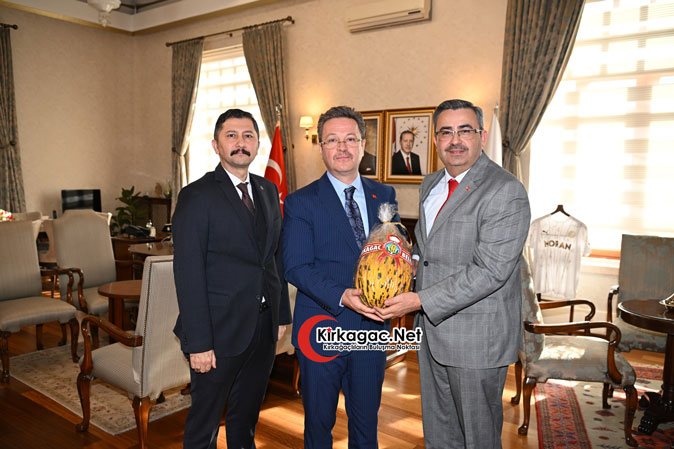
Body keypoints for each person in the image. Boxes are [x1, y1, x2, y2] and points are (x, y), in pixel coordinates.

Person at [376, 99, 531, 448]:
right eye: (446, 132)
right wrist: (396, 269)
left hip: (477, 339)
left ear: (482, 136)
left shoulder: (505, 190)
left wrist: (418, 300)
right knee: (439, 433)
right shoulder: (431, 183)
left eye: (465, 131)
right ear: (435, 140)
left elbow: (490, 271)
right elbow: (428, 253)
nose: (455, 140)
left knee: (478, 438)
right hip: (431, 334)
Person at [172, 108, 291, 449]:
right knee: (205, 425)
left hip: (263, 328)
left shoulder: (268, 190)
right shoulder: (196, 196)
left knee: (246, 417)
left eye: (248, 135)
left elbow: (273, 258)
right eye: (232, 136)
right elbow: (188, 275)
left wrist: (281, 315)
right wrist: (199, 343)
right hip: (217, 332)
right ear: (216, 145)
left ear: (257, 144)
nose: (241, 142)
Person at [282, 105, 398, 449]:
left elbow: (393, 251)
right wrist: (342, 295)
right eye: (332, 140)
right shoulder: (300, 202)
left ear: (363, 145)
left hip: (372, 328)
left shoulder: (384, 195)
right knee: (319, 426)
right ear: (321, 147)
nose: (342, 147)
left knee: (366, 425)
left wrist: (408, 267)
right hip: (321, 326)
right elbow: (296, 266)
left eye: (350, 139)